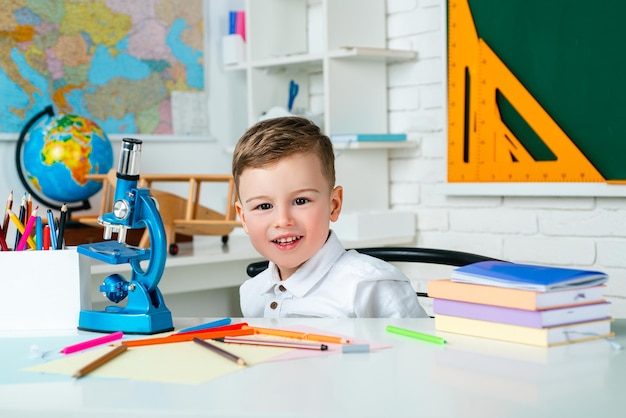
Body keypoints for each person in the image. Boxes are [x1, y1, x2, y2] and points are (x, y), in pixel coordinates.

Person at [232, 116, 428, 318]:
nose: (283, 220)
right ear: (244, 218)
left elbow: (422, 349)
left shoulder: (369, 287)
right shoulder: (251, 293)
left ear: (333, 205)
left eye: (300, 201)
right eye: (264, 206)